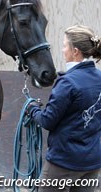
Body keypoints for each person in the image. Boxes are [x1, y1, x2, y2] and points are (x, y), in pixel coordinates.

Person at [27, 25, 101, 191]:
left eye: (64, 45)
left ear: (75, 51)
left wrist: (32, 109)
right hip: (92, 162)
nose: (62, 50)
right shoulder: (99, 78)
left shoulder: (68, 82)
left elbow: (47, 121)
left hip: (64, 162)